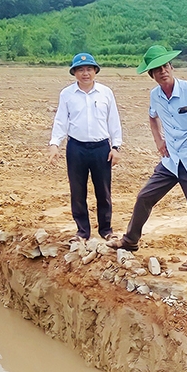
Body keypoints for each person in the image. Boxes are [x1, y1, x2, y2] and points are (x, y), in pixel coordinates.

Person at [106, 45, 187, 272]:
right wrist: (158, 140)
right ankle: (131, 240)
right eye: (157, 69)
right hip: (171, 162)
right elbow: (152, 117)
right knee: (144, 197)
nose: (163, 71)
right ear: (151, 75)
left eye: (165, 66)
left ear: (171, 67)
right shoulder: (155, 95)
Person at [48, 52, 123, 242]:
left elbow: (113, 121)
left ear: (95, 71)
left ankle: (106, 230)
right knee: (77, 191)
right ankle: (82, 231)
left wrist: (116, 147)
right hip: (76, 148)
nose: (85, 73)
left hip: (101, 149)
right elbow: (61, 121)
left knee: (103, 191)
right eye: (80, 70)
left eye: (89, 69)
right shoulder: (67, 94)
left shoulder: (106, 93)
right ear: (74, 73)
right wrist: (55, 144)